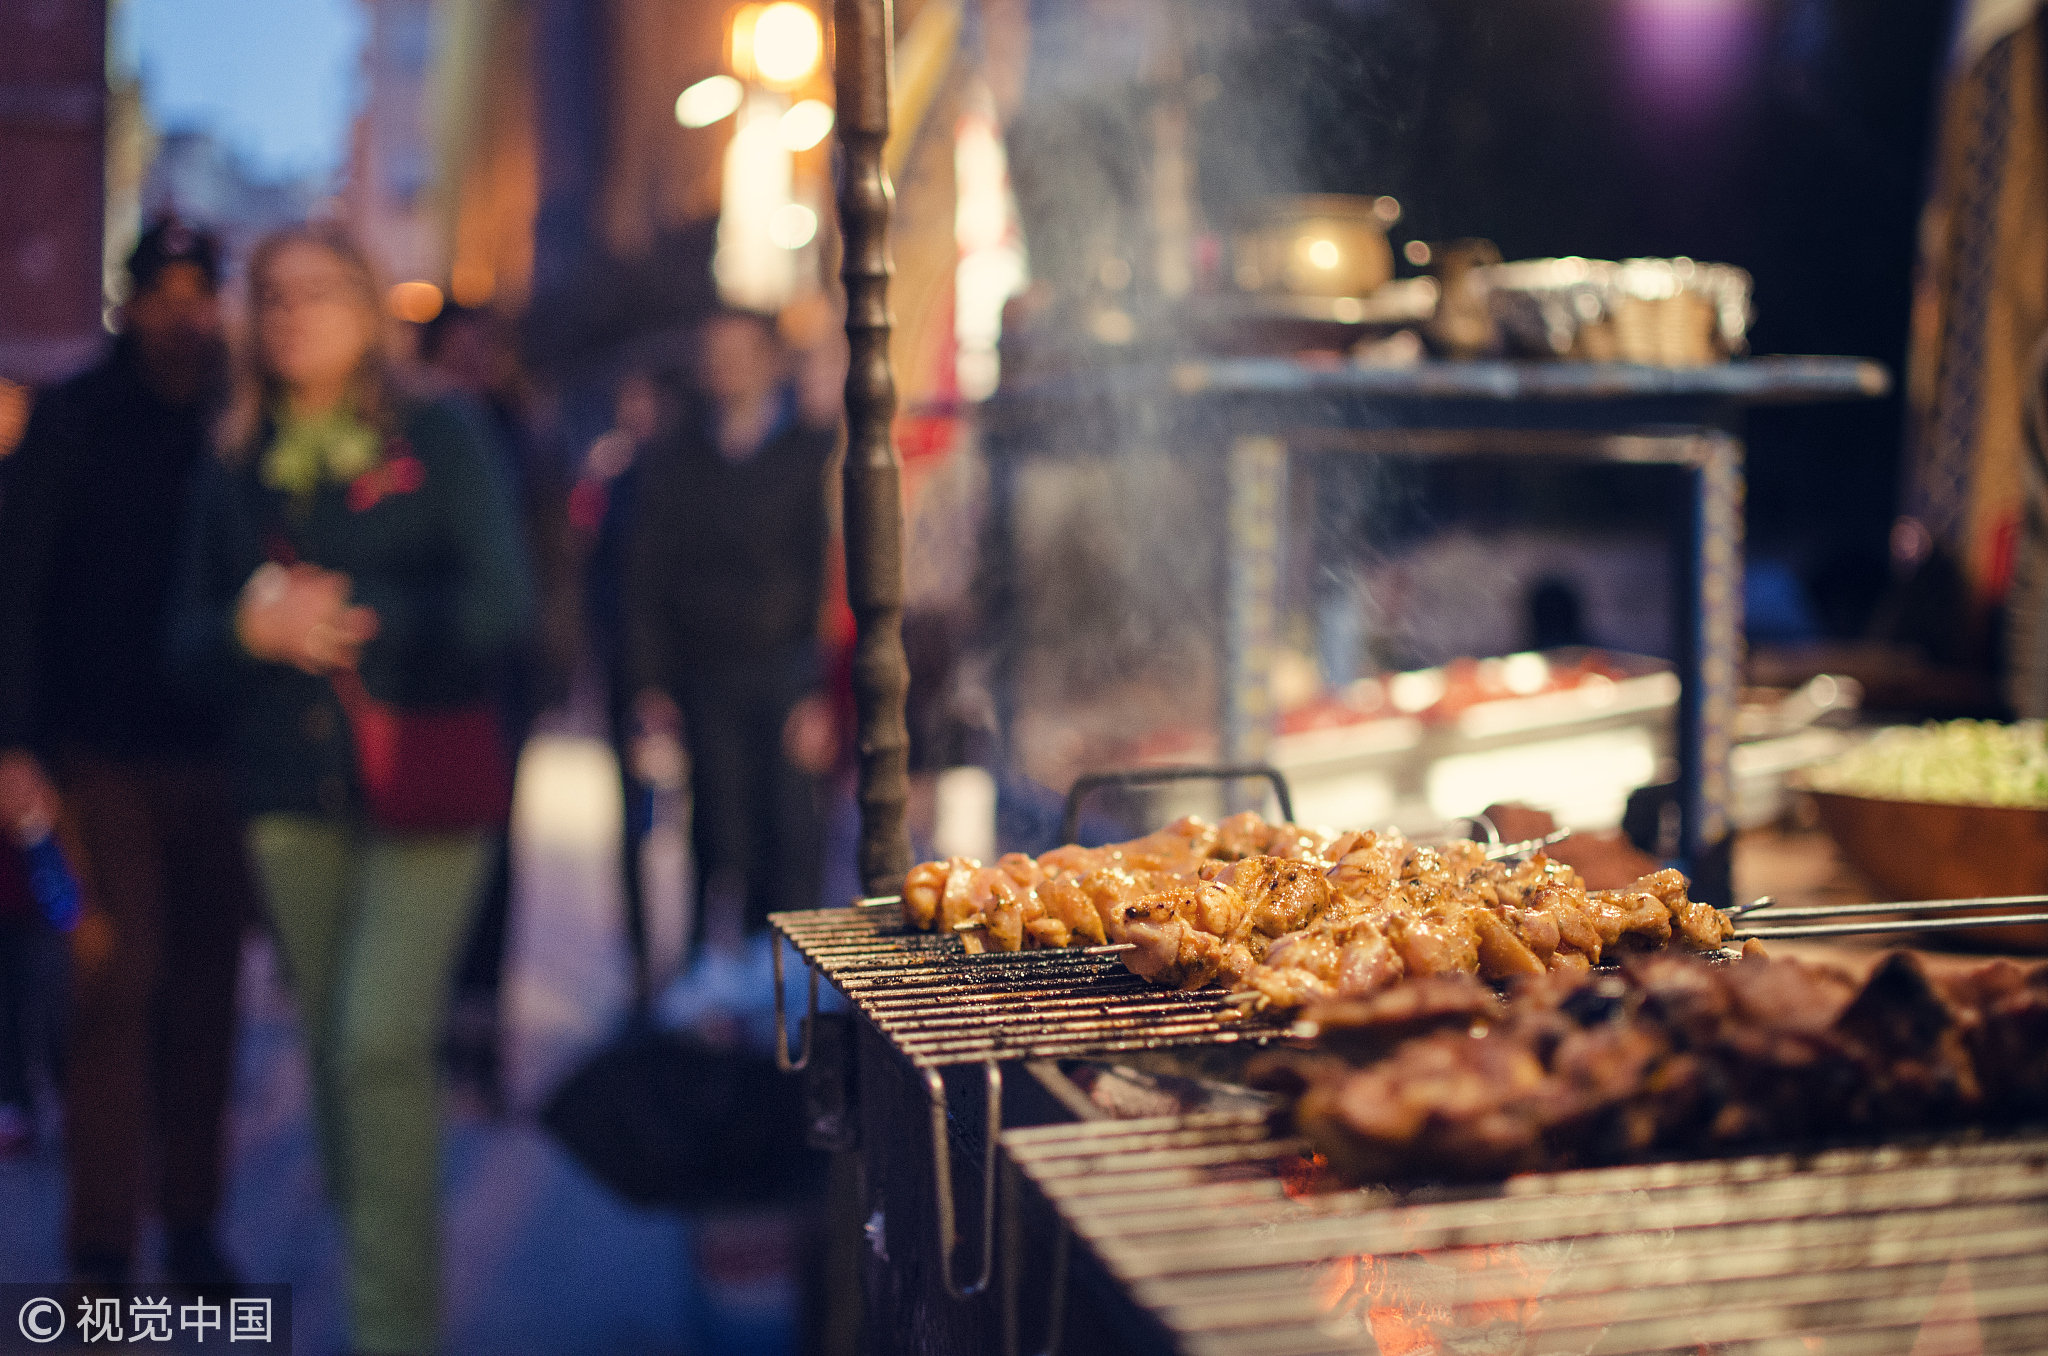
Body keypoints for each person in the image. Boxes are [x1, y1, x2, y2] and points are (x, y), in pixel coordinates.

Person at [172, 222, 531, 1355]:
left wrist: (359, 622)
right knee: (332, 1049)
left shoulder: (441, 431)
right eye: (270, 295)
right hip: (288, 790)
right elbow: (177, 643)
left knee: (377, 1038)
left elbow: (502, 607)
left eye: (317, 292)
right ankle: (372, 1247)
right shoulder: (234, 454)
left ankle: (392, 1327)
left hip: (423, 779)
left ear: (369, 306)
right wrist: (247, 624)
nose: (291, 316)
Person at [0, 219, 255, 1283]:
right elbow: (13, 587)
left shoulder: (239, 418)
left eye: (201, 293)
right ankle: (104, 1251)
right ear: (131, 301)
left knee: (207, 997)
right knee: (111, 984)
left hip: (223, 756)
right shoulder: (71, 418)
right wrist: (14, 745)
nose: (184, 313)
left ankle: (192, 1226)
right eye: (166, 293)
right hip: (95, 754)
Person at [627, 309, 837, 956]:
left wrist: (825, 687)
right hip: (706, 666)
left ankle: (787, 980)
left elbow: (826, 575)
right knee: (718, 827)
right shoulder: (678, 455)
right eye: (715, 351)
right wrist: (649, 680)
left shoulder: (811, 452)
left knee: (791, 829)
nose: (727, 365)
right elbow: (648, 572)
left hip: (786, 668)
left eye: (741, 351)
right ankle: (722, 971)